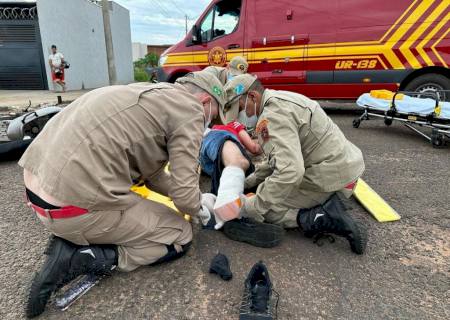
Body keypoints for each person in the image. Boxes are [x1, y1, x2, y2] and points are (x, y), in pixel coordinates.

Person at [20, 72, 225, 318]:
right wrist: (198, 207)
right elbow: (183, 196)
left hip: (37, 193)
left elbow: (155, 175)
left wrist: (196, 197)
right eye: (212, 117)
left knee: (147, 209)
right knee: (180, 234)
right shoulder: (191, 110)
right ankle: (83, 256)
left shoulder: (148, 95)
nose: (209, 124)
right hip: (72, 211)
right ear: (204, 101)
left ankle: (81, 236)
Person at [221, 74, 368, 254]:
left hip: (330, 176)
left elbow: (289, 172)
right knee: (266, 190)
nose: (244, 116)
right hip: (341, 166)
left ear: (252, 96)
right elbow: (277, 158)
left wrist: (252, 207)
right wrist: (250, 181)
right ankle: (326, 199)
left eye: (242, 108)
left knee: (269, 208)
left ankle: (325, 217)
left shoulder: (271, 117)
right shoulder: (278, 100)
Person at [200, 120, 261, 229]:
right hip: (217, 137)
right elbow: (254, 148)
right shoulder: (235, 125)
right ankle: (224, 206)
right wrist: (268, 143)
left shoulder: (236, 144)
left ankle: (219, 204)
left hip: (210, 156)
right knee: (240, 162)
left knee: (252, 189)